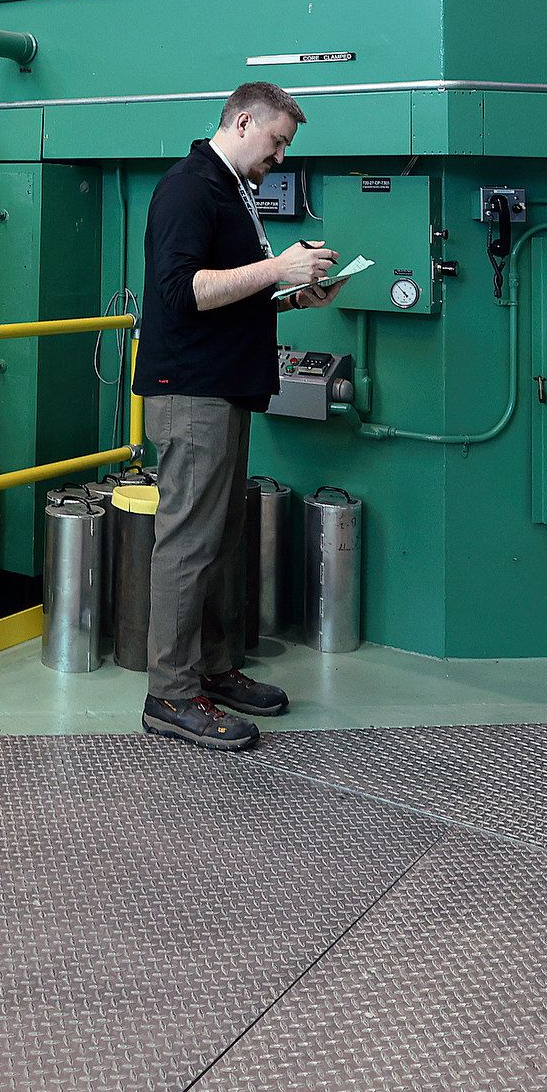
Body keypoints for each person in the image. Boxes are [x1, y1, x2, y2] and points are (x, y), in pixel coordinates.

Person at [132, 81, 345, 750]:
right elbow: (182, 290)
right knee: (189, 545)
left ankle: (214, 671)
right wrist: (278, 264)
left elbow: (225, 294)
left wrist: (288, 297)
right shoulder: (190, 188)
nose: (280, 157)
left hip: (221, 389)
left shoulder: (231, 192)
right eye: (278, 142)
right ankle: (169, 695)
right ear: (245, 121)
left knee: (219, 543)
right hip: (192, 393)